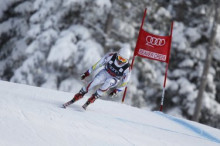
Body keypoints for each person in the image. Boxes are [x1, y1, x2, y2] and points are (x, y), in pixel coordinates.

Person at [63, 47, 131, 110]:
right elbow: (98, 64)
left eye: (123, 60)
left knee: (109, 82)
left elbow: (124, 83)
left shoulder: (127, 68)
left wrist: (116, 91)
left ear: (127, 60)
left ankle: (92, 98)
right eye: (120, 58)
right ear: (117, 54)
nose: (120, 61)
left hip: (115, 78)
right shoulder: (111, 56)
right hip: (105, 72)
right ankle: (79, 95)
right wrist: (87, 73)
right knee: (96, 80)